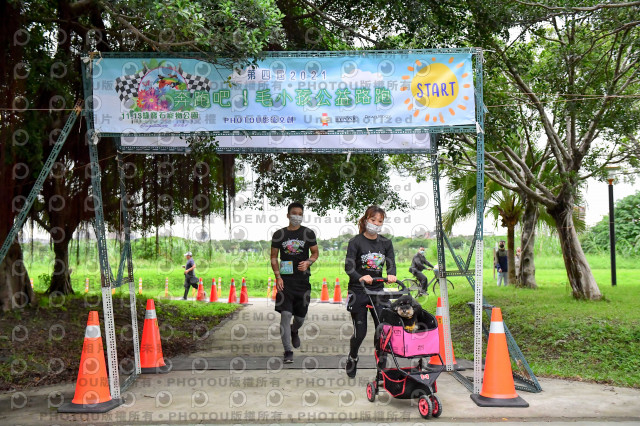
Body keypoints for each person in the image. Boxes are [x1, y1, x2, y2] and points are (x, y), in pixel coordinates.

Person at [344, 205, 397, 378]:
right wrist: (361, 276)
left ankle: (381, 367)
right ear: (366, 220)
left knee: (382, 331)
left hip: (377, 291)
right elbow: (349, 267)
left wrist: (391, 274)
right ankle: (353, 357)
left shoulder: (386, 243)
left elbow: (391, 263)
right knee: (360, 332)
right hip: (358, 291)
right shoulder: (356, 242)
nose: (376, 224)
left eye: (380, 221)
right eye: (373, 220)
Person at [270, 202, 319, 364]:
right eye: (294, 213)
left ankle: (294, 330)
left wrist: (308, 262)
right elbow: (273, 257)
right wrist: (278, 277)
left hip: (302, 282)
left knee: (300, 318)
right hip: (285, 282)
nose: (297, 216)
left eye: (300, 214)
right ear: (288, 215)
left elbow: (315, 253)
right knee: (285, 315)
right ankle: (287, 350)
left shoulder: (308, 233)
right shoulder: (279, 234)